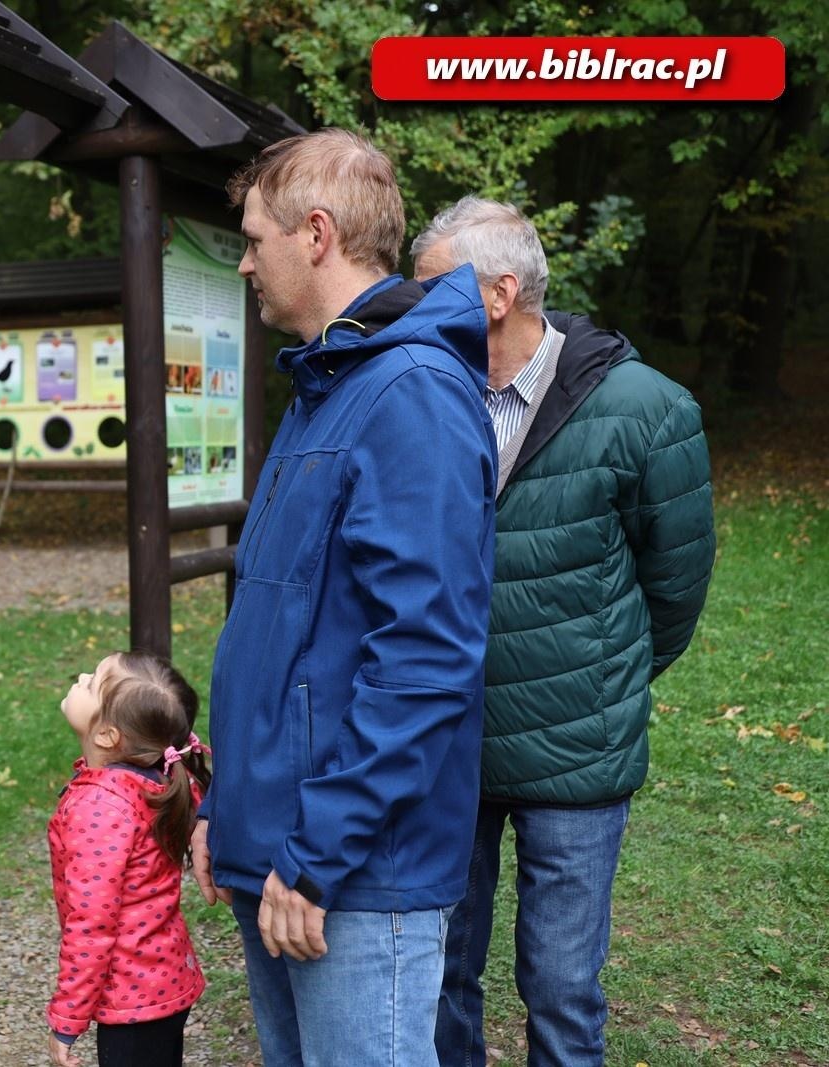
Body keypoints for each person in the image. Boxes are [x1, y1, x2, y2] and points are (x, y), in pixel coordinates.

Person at [189, 128, 497, 1066]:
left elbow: (427, 656)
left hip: (354, 879)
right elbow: (288, 628)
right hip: (284, 851)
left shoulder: (412, 394)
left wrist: (319, 851)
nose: (244, 262)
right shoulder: (331, 383)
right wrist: (226, 807)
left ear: (315, 233)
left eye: (253, 238)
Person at [411, 197, 716, 1067]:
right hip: (449, 738)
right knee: (441, 970)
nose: (412, 305)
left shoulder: (647, 408)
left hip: (576, 748)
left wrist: (601, 676)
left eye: (433, 290)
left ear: (499, 295)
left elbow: (675, 583)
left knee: (562, 986)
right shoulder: (424, 398)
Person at [46, 651, 212, 1067]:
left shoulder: (100, 808)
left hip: (133, 1001)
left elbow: (92, 925)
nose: (82, 675)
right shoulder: (156, 781)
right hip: (165, 980)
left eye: (92, 683)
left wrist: (68, 1016)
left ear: (107, 736)